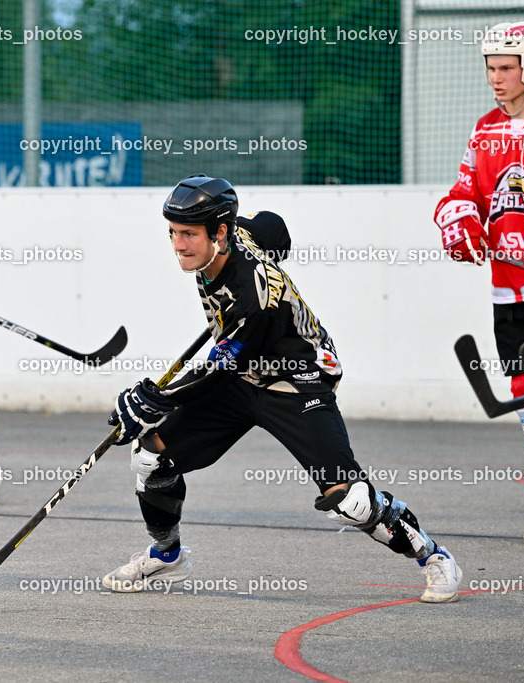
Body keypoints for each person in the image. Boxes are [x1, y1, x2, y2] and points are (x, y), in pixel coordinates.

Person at [102, 174, 462, 603]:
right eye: (173, 233)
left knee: (352, 501)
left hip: (296, 379)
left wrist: (156, 400)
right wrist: (154, 413)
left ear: (219, 232)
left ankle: (433, 555)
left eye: (189, 235)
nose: (179, 245)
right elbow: (275, 227)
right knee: (151, 455)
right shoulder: (237, 233)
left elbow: (219, 369)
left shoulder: (250, 295)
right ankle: (167, 555)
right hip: (243, 374)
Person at [435, 22, 524, 543]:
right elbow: (461, 194)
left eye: (506, 67)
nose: (496, 77)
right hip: (506, 290)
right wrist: (460, 222)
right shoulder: (484, 130)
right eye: (490, 67)